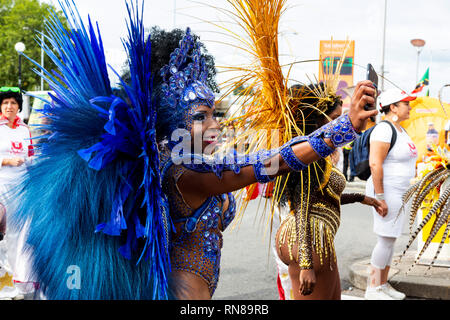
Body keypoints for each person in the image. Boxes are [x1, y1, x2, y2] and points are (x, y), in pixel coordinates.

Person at [9, 1, 378, 300]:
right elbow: (268, 163)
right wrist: (344, 126)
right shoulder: (183, 172)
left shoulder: (176, 164)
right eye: (201, 116)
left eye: (214, 114)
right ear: (172, 124)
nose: (215, 125)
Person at [274, 84, 384, 300]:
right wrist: (306, 264)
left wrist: (362, 198)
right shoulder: (305, 155)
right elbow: (302, 205)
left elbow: (322, 198)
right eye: (336, 117)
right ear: (318, 121)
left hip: (318, 237)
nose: (341, 121)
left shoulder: (319, 155)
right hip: (307, 238)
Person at [364, 88, 418, 300]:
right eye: (405, 103)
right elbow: (375, 163)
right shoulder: (384, 129)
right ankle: (373, 288)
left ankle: (383, 284)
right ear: (393, 107)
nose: (410, 107)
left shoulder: (401, 130)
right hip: (387, 190)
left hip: (399, 192)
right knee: (385, 239)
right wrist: (380, 197)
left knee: (390, 239)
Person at [0, 86, 35, 300]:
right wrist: (6, 160)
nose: (9, 106)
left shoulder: (25, 130)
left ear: (19, 106)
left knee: (19, 235)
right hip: (1, 188)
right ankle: (5, 282)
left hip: (21, 189)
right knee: (2, 236)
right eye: (5, 103)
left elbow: (31, 157)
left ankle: (18, 282)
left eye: (13, 103)